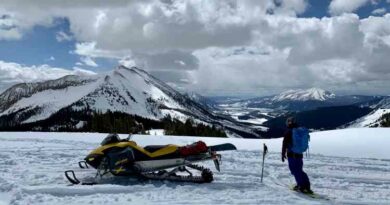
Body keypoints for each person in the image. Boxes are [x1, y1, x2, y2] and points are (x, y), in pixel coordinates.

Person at [281, 117, 313, 194]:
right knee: (299, 170)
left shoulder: (289, 131)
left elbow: (284, 144)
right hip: (299, 155)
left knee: (295, 171)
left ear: (288, 123)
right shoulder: (299, 130)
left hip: (292, 155)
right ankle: (306, 185)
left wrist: (283, 154)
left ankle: (301, 186)